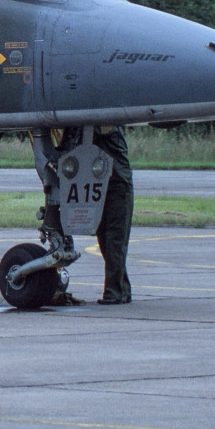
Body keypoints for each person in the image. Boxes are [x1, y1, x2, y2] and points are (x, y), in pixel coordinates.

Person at [93, 125, 133, 305]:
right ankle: (122, 289)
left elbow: (98, 131)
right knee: (104, 239)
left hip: (118, 187)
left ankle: (114, 292)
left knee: (114, 240)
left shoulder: (109, 129)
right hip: (103, 188)